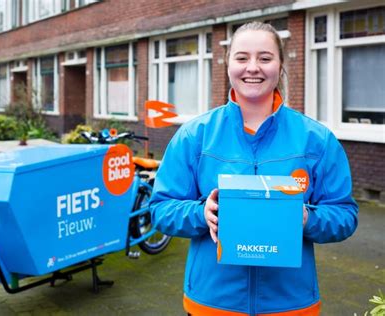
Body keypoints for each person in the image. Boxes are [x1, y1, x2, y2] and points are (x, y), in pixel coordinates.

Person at [150, 21, 358, 316]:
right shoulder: (195, 136)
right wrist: (201, 214)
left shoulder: (316, 139)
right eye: (242, 57)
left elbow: (344, 214)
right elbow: (160, 209)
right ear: (227, 64)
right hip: (213, 302)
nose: (253, 68)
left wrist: (307, 219)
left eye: (265, 58)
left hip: (289, 304)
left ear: (280, 65)